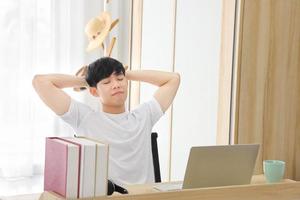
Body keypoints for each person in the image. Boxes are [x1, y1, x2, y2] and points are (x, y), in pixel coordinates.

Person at [32, 57, 180, 185]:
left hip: (145, 196)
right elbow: (40, 82)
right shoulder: (84, 118)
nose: (116, 84)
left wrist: (125, 72)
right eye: (107, 82)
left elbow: (173, 79)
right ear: (94, 91)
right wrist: (88, 79)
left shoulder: (144, 116)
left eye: (120, 79)